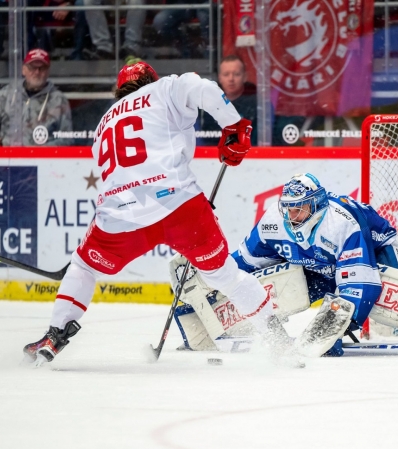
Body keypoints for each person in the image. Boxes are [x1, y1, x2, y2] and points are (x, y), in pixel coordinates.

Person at [22, 61, 290, 366]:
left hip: (120, 218)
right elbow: (203, 89)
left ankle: (54, 336)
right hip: (180, 207)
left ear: (119, 89)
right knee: (224, 275)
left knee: (83, 267)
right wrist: (233, 125)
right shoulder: (164, 89)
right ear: (151, 79)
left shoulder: (104, 123)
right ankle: (277, 339)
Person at [171, 174, 398, 357]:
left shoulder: (340, 225)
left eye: (300, 210)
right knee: (287, 284)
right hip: (317, 265)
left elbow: (361, 284)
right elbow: (243, 266)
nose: (291, 217)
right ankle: (208, 325)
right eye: (288, 209)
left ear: (319, 204)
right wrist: (208, 273)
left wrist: (334, 329)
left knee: (386, 302)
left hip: (376, 250)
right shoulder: (273, 223)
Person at [0, 49, 72, 146]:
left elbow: (67, 139)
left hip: (42, 160)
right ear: (23, 70)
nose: (37, 72)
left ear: (48, 71)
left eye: (42, 68)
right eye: (32, 68)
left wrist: (40, 151)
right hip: (6, 158)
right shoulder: (5, 96)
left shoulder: (59, 100)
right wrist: (0, 146)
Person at [198, 55, 257, 146]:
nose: (231, 79)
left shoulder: (256, 105)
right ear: (220, 78)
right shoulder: (208, 105)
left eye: (236, 74)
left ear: (245, 77)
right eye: (226, 74)